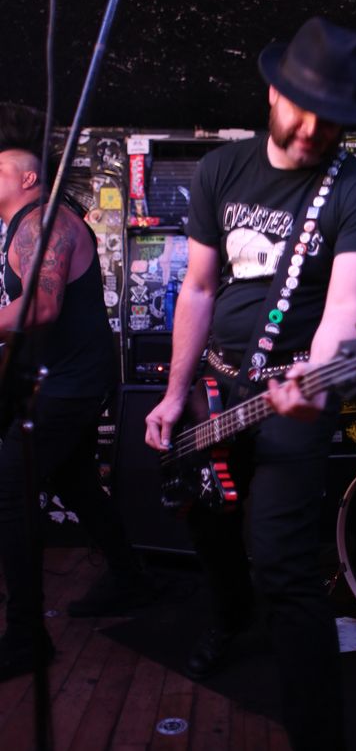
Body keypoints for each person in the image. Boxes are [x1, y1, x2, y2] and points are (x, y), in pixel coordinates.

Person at [145, 16, 356, 751]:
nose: (313, 129)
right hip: (217, 388)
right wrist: (174, 393)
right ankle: (229, 616)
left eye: (331, 117)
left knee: (285, 567)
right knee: (209, 524)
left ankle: (317, 736)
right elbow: (197, 289)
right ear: (274, 92)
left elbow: (346, 307)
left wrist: (318, 378)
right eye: (302, 107)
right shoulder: (222, 170)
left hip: (294, 399)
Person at [0, 102, 153, 683]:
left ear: (28, 177)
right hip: (66, 378)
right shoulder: (28, 224)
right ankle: (131, 578)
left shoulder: (44, 222)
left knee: (9, 491)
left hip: (72, 385)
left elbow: (41, 306)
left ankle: (26, 638)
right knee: (76, 482)